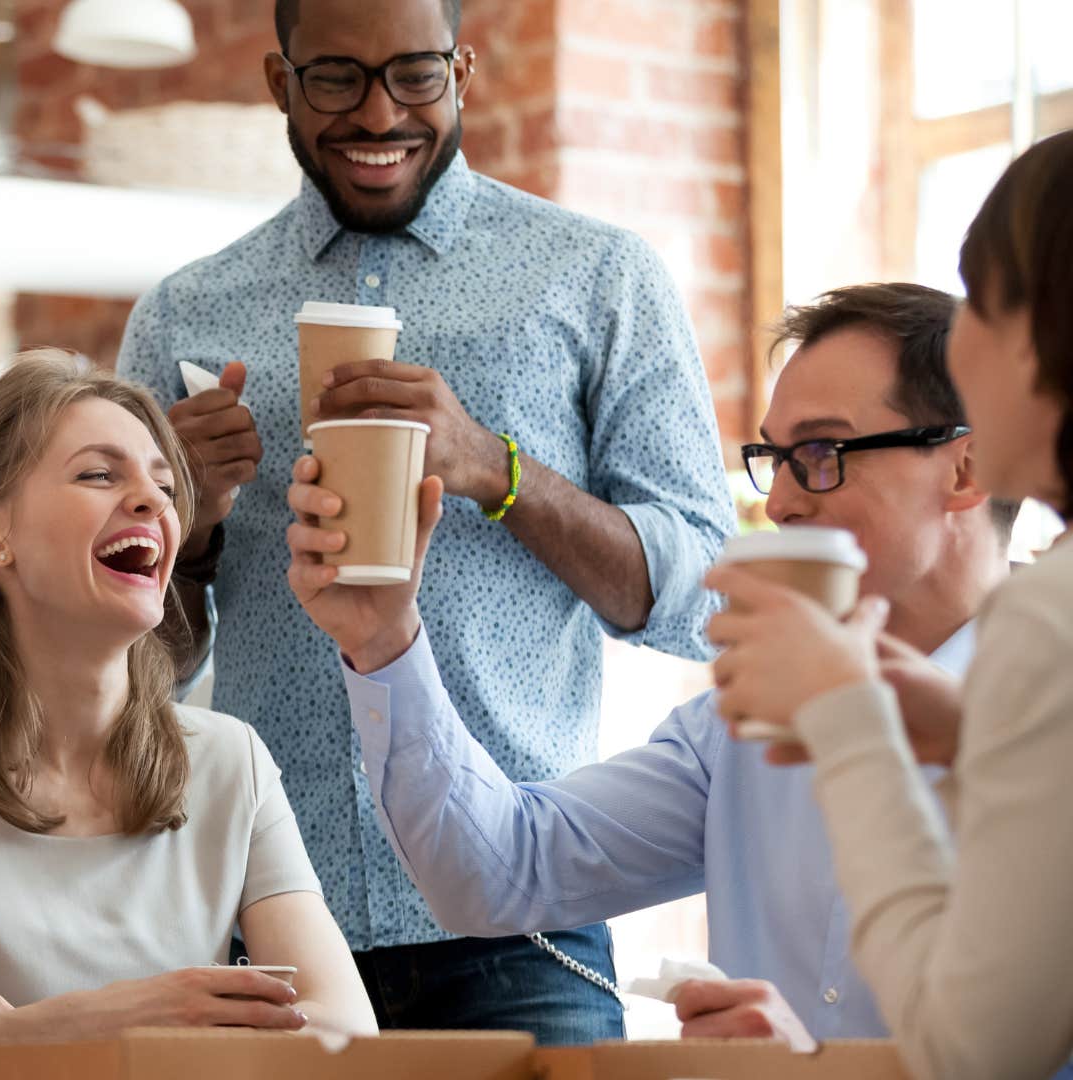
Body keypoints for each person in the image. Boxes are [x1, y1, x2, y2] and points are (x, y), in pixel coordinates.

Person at [116, 0, 734, 1039]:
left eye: (414, 75)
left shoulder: (596, 278)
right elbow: (134, 669)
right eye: (336, 79)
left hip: (528, 929)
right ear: (280, 81)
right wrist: (194, 528)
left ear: (465, 70)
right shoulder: (188, 315)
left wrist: (495, 467)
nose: (378, 112)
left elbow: (703, 601)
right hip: (272, 928)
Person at [282, 281, 1015, 1049]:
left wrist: (821, 1066)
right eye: (776, 459)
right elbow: (500, 871)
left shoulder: (1045, 720)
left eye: (823, 454)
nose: (785, 503)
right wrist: (384, 637)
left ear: (967, 469)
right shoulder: (737, 730)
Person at [0, 354, 376, 1074]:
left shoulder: (230, 763)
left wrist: (23, 1034)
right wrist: (91, 1020)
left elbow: (346, 1043)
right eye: (99, 473)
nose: (152, 500)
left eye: (161, 479)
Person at [706, 132, 1073, 1080]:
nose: (964, 345)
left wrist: (849, 717)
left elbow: (976, 1049)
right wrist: (969, 736)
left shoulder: (1046, 617)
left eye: (985, 308)